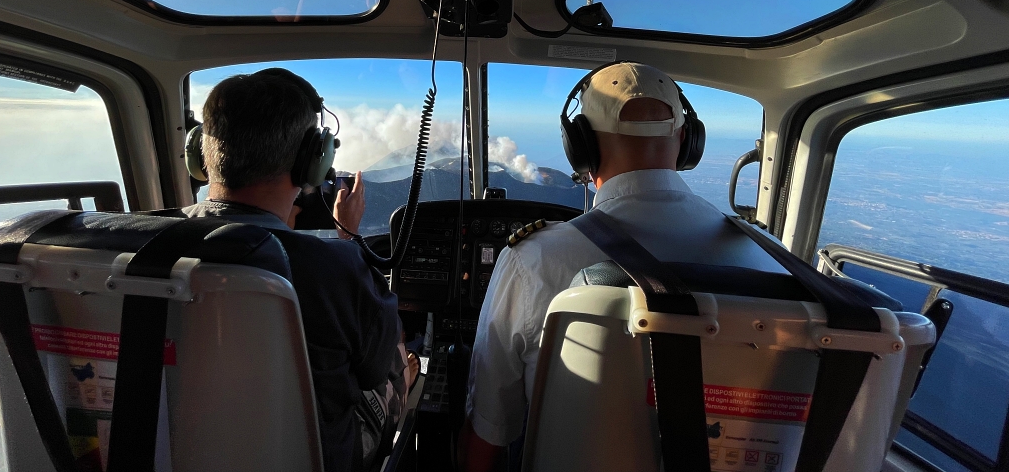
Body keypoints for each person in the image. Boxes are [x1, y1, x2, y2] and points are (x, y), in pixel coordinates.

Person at [461, 61, 729, 471]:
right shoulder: (771, 257)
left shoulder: (535, 260)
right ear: (687, 139)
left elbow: (489, 430)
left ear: (582, 147)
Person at [182, 68, 415, 472]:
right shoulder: (336, 268)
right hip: (310, 456)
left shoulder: (136, 244)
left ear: (199, 153)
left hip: (177, 442)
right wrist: (349, 240)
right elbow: (374, 368)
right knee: (396, 360)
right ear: (313, 161)